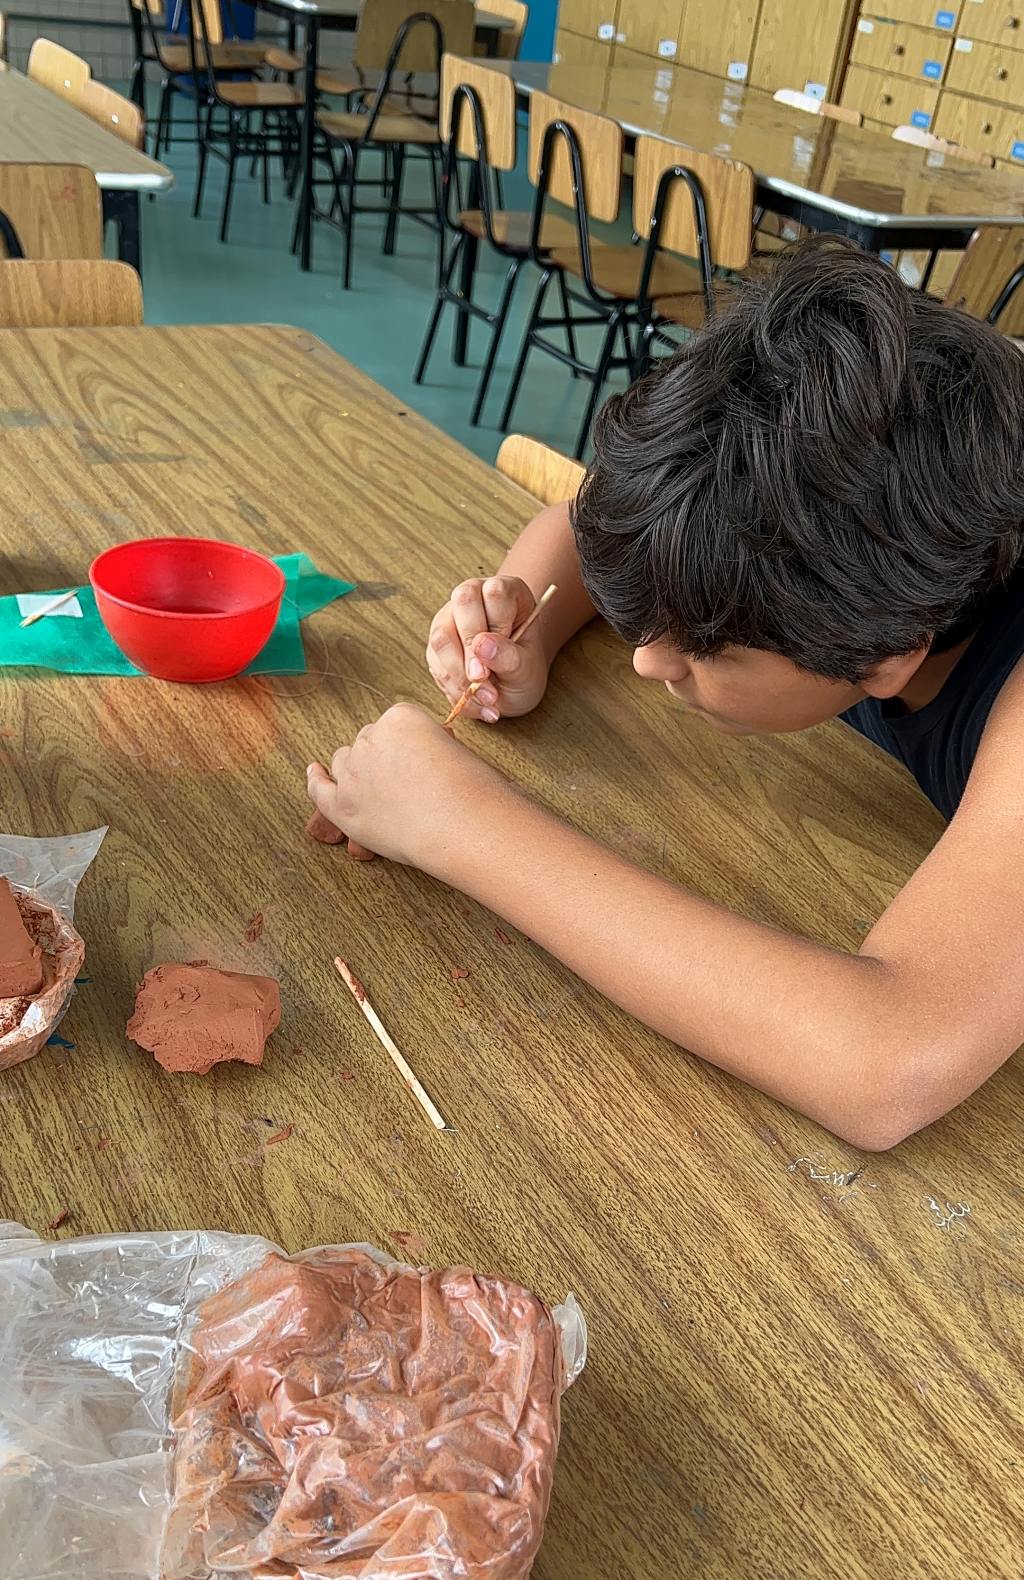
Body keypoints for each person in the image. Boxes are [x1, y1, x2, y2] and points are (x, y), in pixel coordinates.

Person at [306, 239, 1024, 1152]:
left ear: (888, 654)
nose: (648, 662)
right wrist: (525, 623)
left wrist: (461, 824)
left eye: (707, 646)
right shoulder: (875, 513)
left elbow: (886, 1063)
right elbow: (585, 523)